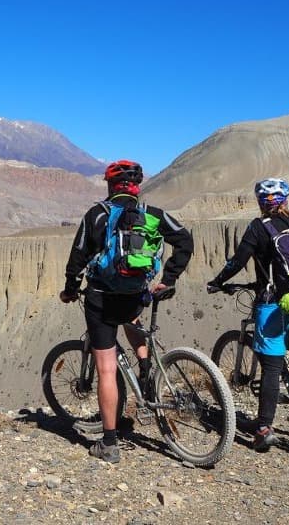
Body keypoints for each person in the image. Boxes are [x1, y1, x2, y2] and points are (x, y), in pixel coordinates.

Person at [59, 159, 194, 463]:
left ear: (109, 185)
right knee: (132, 318)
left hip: (101, 298)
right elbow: (185, 240)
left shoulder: (96, 214)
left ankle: (109, 443)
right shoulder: (153, 215)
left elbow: (77, 257)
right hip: (136, 294)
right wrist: (169, 279)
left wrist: (70, 289)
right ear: (137, 187)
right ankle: (146, 369)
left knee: (106, 368)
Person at [207, 177, 289, 452]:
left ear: (261, 203)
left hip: (275, 305)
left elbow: (238, 260)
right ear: (287, 201)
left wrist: (218, 281)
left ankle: (263, 428)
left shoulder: (259, 227)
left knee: (271, 367)